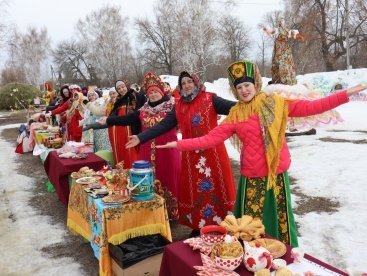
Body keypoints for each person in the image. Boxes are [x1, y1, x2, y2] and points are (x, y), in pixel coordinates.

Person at [157, 60, 367, 246]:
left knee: (279, 217)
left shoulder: (274, 103)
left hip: (276, 174)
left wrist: (345, 94)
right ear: (235, 90)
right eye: (239, 87)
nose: (244, 90)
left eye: (247, 85)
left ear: (255, 85)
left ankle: (281, 252)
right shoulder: (236, 114)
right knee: (251, 223)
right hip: (252, 176)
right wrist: (179, 145)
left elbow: (312, 107)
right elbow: (211, 138)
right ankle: (252, 254)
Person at [126, 71, 237, 236]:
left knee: (216, 188)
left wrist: (254, 104)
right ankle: (198, 226)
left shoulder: (211, 98)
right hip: (190, 154)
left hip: (213, 154)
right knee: (195, 190)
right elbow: (163, 125)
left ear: (196, 82)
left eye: (189, 82)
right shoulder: (179, 106)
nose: (186, 86)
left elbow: (235, 108)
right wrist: (141, 137)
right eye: (183, 83)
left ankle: (223, 224)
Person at [99, 73, 180, 220]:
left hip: (167, 150)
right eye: (150, 92)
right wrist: (109, 120)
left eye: (156, 91)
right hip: (147, 151)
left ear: (161, 92)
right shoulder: (144, 109)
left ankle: (171, 213)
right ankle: (151, 212)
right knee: (147, 180)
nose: (153, 94)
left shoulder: (173, 107)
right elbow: (127, 119)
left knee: (170, 178)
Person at [108, 80, 142, 167]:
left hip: (131, 129)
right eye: (119, 89)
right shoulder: (118, 100)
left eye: (123, 87)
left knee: (132, 151)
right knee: (122, 150)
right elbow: (112, 114)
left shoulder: (134, 96)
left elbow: (138, 111)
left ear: (126, 86)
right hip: (119, 131)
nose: (121, 90)